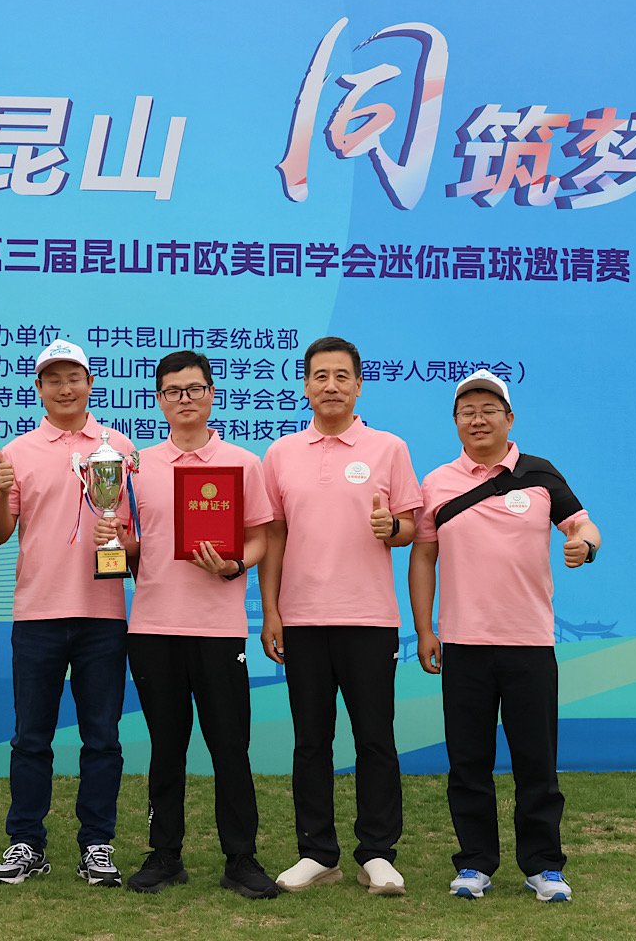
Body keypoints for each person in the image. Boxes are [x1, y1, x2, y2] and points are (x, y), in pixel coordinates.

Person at [408, 368, 603, 904]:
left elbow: (583, 525)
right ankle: (475, 863)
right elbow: (423, 556)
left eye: (488, 410)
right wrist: (424, 628)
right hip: (464, 644)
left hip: (529, 643)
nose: (478, 419)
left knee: (535, 761)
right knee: (467, 762)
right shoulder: (437, 482)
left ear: (509, 418)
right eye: (467, 411)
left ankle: (544, 866)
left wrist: (585, 546)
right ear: (455, 422)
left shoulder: (540, 474)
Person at [96, 350, 280, 900]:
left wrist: (234, 565)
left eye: (194, 388)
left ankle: (241, 859)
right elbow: (133, 547)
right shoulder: (137, 467)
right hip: (154, 628)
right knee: (166, 747)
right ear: (159, 400)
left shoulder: (242, 463)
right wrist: (119, 540)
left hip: (219, 629)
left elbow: (259, 537)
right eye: (173, 391)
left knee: (230, 747)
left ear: (211, 394)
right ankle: (164, 854)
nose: (184, 399)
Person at [258, 336, 421, 896]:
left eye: (341, 376)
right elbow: (274, 537)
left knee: (375, 738)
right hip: (302, 618)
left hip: (368, 617)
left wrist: (391, 527)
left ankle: (377, 853)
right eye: (320, 376)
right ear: (305, 386)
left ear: (358, 385)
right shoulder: (281, 454)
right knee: (311, 740)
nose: (331, 386)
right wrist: (271, 611)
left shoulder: (389, 448)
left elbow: (411, 526)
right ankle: (317, 852)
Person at [0, 339, 132, 888]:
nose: (65, 388)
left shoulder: (119, 447)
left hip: (103, 614)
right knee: (31, 738)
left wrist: (119, 537)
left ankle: (97, 845)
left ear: (90, 384)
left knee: (102, 738)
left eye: (74, 378)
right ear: (39, 389)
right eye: (53, 379)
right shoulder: (17, 452)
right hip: (37, 614)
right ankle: (26, 842)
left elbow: (135, 533)